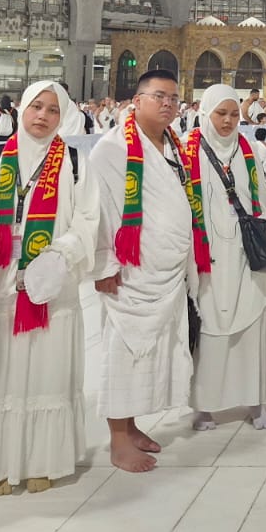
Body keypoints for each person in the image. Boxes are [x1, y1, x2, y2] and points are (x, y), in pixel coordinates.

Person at [0, 80, 98, 494]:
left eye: (52, 111)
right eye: (36, 107)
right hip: (1, 280)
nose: (42, 116)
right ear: (21, 109)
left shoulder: (75, 161)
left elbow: (89, 220)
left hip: (52, 281)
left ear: (64, 117)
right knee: (0, 373)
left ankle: (44, 459)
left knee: (47, 369)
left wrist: (61, 256)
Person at [91, 68, 208, 471]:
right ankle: (118, 439)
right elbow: (101, 210)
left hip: (167, 268)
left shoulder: (173, 144)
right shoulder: (111, 149)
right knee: (124, 352)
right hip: (131, 271)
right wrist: (104, 263)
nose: (167, 104)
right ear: (136, 101)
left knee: (153, 353)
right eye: (158, 96)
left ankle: (134, 422)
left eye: (174, 99)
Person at [185, 84, 266, 431]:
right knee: (210, 329)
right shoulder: (188, 151)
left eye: (232, 114)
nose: (227, 121)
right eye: (220, 114)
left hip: (245, 255)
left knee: (252, 324)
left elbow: (261, 198)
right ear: (205, 113)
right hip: (207, 257)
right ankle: (205, 407)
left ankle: (256, 403)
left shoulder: (249, 150)